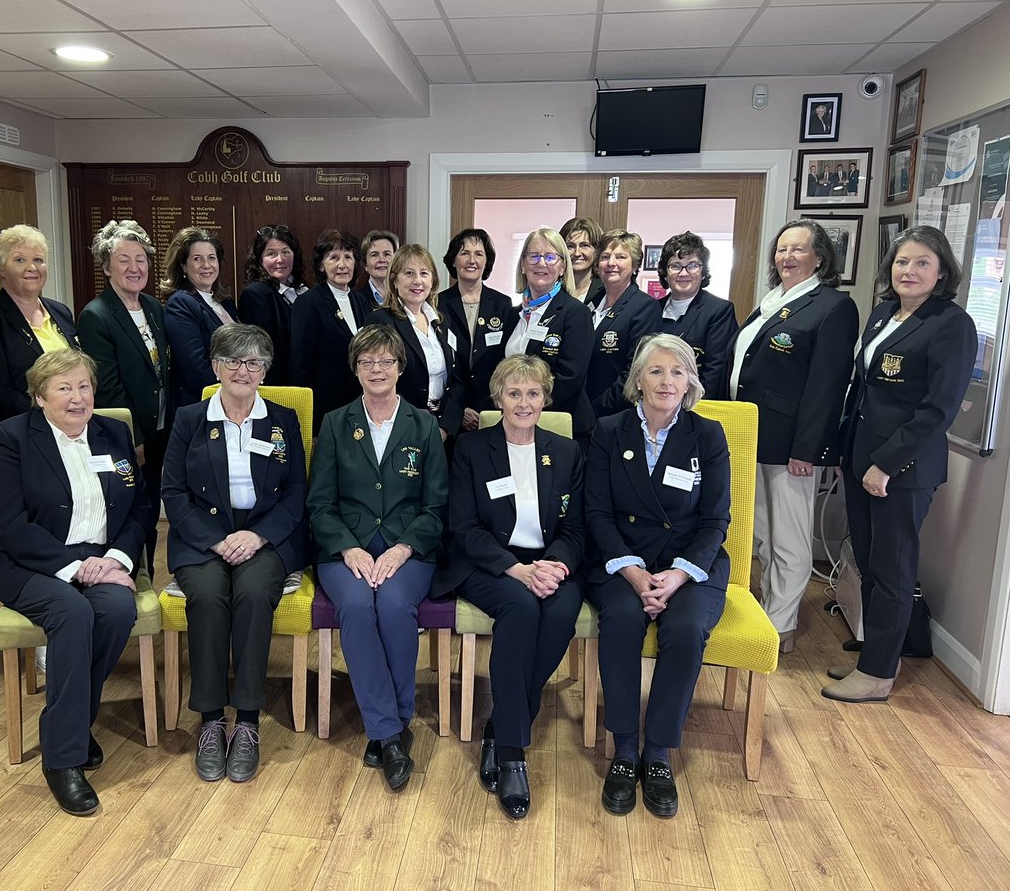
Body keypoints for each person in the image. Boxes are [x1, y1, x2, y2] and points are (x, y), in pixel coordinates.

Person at [0, 349, 150, 816]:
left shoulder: (114, 432)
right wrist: (74, 567)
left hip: (103, 558)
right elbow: (13, 525)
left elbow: (140, 507)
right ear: (40, 397)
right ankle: (63, 759)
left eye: (84, 387)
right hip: (32, 563)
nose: (77, 398)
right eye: (64, 388)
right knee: (74, 612)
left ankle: (71, 723)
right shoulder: (12, 438)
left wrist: (116, 558)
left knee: (118, 609)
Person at [825, 227, 977, 702]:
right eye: (901, 262)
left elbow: (937, 410)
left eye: (921, 263)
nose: (908, 271)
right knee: (869, 562)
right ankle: (876, 648)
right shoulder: (885, 314)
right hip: (860, 457)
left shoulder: (951, 324)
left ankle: (878, 674)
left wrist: (886, 464)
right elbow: (865, 388)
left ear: (942, 271)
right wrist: (847, 453)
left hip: (900, 470)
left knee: (892, 568)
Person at [585, 335, 730, 819]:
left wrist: (677, 576)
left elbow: (715, 520)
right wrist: (630, 571)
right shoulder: (609, 431)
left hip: (690, 565)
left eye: (677, 371)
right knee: (622, 622)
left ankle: (660, 751)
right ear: (638, 381)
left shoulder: (707, 436)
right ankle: (626, 748)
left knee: (686, 630)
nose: (667, 381)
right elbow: (597, 513)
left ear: (689, 381)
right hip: (621, 562)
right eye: (656, 371)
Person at [434, 355, 584, 819]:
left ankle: (499, 725)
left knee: (559, 614)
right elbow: (462, 526)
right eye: (514, 393)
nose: (524, 402)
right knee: (520, 608)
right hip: (487, 563)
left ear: (546, 400)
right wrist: (515, 570)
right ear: (497, 399)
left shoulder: (566, 452)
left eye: (533, 393)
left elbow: (577, 528)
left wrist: (554, 565)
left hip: (550, 563)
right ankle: (514, 753)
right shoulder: (472, 448)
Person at [161, 324, 309, 780]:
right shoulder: (190, 418)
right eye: (232, 361)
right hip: (203, 535)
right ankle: (209, 720)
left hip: (266, 536)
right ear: (215, 366)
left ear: (264, 371)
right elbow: (173, 489)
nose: (242, 370)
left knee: (251, 592)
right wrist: (214, 538)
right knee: (206, 595)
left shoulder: (282, 420)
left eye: (254, 362)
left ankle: (246, 720)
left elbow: (297, 492)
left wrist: (258, 536)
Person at [306, 324, 448, 791]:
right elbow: (319, 504)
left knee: (392, 605)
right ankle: (391, 733)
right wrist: (348, 548)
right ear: (355, 369)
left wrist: (405, 547)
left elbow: (436, 507)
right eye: (367, 362)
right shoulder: (334, 423)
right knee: (355, 606)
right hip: (345, 547)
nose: (376, 369)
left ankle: (389, 723)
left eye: (386, 361)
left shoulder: (425, 425)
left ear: (401, 368)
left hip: (410, 548)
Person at [729, 218, 856, 651]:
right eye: (781, 249)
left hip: (791, 448)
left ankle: (780, 625)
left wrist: (808, 449)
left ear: (819, 258)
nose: (786, 257)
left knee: (789, 538)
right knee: (761, 532)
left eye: (797, 249)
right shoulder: (772, 303)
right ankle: (768, 609)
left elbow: (827, 386)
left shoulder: (832, 307)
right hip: (754, 439)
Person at [77, 219, 170, 567]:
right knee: (132, 507)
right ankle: (127, 571)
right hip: (131, 435)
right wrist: (135, 438)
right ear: (106, 267)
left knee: (150, 505)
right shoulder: (96, 315)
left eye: (141, 259)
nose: (135, 267)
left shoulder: (153, 307)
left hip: (161, 428)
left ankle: (143, 571)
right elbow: (109, 386)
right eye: (124, 260)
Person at [0, 224, 79, 421]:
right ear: (1, 269)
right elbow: (1, 390)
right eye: (20, 260)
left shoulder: (61, 312)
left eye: (39, 260)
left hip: (73, 422)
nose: (32, 268)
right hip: (25, 428)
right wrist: (50, 419)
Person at [366, 243, 466, 440]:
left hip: (443, 429)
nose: (418, 281)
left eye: (424, 273)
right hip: (400, 428)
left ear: (433, 280)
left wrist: (445, 428)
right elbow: (378, 380)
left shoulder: (442, 321)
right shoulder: (380, 321)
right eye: (409, 273)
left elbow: (457, 379)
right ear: (394, 280)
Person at [503, 227, 596, 439]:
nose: (541, 263)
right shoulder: (513, 314)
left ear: (562, 267)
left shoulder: (575, 313)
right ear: (524, 265)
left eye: (550, 256)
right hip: (517, 423)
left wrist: (528, 409)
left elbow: (570, 377)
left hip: (560, 423)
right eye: (534, 256)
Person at [290, 229, 372, 432]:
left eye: (348, 257)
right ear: (321, 265)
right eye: (333, 257)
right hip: (324, 410)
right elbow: (300, 365)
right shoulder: (308, 302)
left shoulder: (360, 300)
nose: (342, 265)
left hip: (360, 406)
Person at [438, 228, 516, 432]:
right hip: (450, 411)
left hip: (492, 409)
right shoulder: (438, 304)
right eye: (464, 253)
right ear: (453, 261)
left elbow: (506, 361)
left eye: (479, 254)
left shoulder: (502, 304)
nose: (471, 260)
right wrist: (458, 409)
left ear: (486, 262)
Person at [585, 229, 663, 416]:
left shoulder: (645, 307)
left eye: (620, 257)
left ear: (635, 266)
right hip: (581, 411)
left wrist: (593, 411)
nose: (611, 263)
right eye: (605, 257)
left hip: (614, 414)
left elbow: (634, 372)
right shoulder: (591, 303)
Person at [161, 226, 238, 407]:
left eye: (212, 258)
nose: (206, 265)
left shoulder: (224, 302)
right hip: (201, 406)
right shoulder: (180, 304)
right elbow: (196, 371)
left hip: (230, 401)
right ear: (183, 266)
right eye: (197, 259)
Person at [656, 231, 737, 398]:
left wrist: (691, 409)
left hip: (696, 407)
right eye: (675, 266)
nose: (684, 273)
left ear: (703, 271)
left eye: (692, 265)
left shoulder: (719, 311)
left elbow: (715, 372)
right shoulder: (653, 309)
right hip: (656, 403)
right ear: (665, 272)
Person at [237, 225, 308, 385]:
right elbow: (263, 353)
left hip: (307, 386)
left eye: (286, 252)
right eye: (271, 254)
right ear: (259, 259)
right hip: (279, 388)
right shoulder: (256, 294)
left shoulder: (303, 291)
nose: (280, 259)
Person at [560, 216, 603, 301]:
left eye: (584, 246)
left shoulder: (605, 290)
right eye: (570, 246)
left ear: (597, 250)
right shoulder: (551, 288)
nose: (577, 253)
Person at [361, 229, 399, 307]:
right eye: (374, 255)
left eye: (387, 254)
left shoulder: (406, 295)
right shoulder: (358, 300)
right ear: (365, 265)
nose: (381, 260)